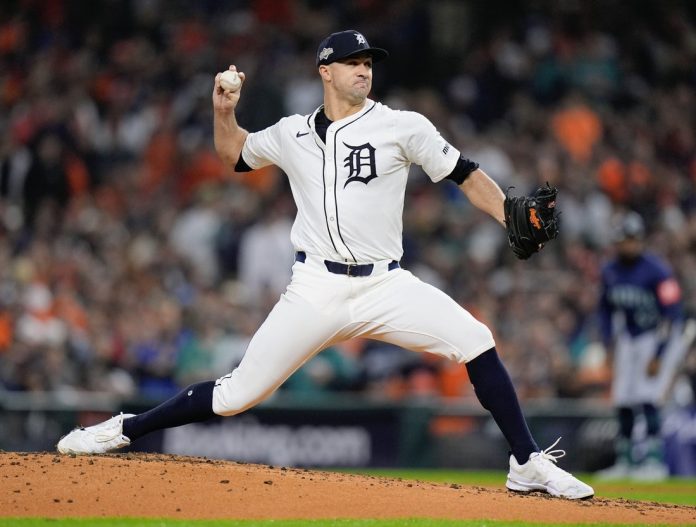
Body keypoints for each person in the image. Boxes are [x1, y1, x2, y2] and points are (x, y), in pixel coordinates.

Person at [57, 30, 593, 499]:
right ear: (325, 71)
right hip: (316, 286)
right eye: (353, 62)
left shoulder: (402, 126)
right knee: (236, 395)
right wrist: (224, 111)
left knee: (475, 338)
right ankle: (124, 429)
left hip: (385, 285)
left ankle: (526, 462)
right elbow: (234, 154)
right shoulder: (291, 132)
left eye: (368, 62)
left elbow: (466, 173)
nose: (364, 69)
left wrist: (507, 213)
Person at [596, 212, 686, 481]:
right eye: (624, 239)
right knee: (623, 398)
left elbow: (672, 313)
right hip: (629, 337)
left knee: (648, 397)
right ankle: (625, 461)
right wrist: (608, 343)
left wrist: (660, 353)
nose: (628, 244)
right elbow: (604, 309)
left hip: (656, 336)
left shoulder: (658, 270)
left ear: (640, 239)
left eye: (632, 239)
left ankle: (654, 462)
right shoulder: (610, 270)